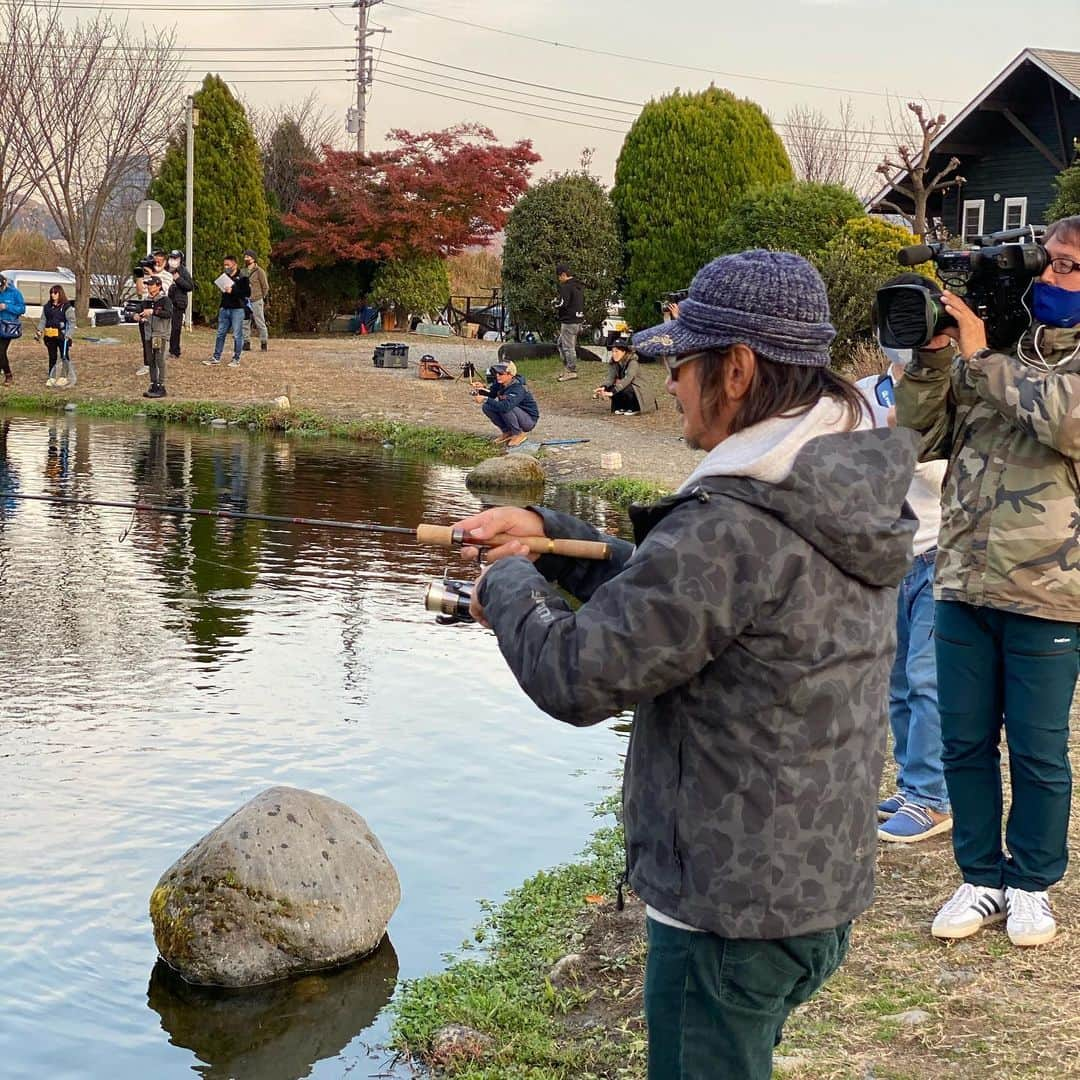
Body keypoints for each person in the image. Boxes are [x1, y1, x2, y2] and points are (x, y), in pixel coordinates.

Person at [453, 250, 917, 1079]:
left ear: (735, 370)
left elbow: (579, 672)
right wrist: (549, 534)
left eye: (681, 362)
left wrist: (508, 583)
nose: (667, 380)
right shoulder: (832, 483)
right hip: (810, 889)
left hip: (728, 917)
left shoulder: (735, 522)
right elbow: (696, 601)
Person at [896, 215, 1080, 948]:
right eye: (1048, 263)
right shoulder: (993, 354)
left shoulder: (1006, 362)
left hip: (1048, 591)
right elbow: (916, 436)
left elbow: (1067, 422)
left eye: (1069, 266)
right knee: (964, 743)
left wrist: (977, 358)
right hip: (962, 582)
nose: (1050, 276)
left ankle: (1033, 883)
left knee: (1038, 749)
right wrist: (934, 358)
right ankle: (981, 877)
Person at [857, 349, 950, 843]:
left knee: (927, 680)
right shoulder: (863, 395)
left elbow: (950, 478)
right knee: (895, 681)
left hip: (940, 556)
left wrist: (903, 440)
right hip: (889, 561)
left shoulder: (952, 392)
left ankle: (931, 797)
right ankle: (912, 784)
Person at [470, 360, 539, 447]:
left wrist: (485, 399)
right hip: (513, 410)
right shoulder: (500, 383)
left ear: (510, 374)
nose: (497, 376)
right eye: (496, 373)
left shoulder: (518, 388)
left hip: (528, 421)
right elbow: (491, 394)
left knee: (505, 407)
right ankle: (507, 432)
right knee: (487, 407)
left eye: (500, 373)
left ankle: (518, 434)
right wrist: (481, 389)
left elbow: (505, 406)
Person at [204, 255, 250, 368]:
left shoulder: (243, 277)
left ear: (234, 264)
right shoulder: (225, 276)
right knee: (220, 333)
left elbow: (247, 293)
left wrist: (233, 290)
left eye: (228, 265)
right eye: (224, 265)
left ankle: (236, 358)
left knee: (237, 335)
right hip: (225, 308)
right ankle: (216, 357)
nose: (226, 267)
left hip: (237, 309)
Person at [593, 336, 657, 415]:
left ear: (624, 352)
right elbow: (610, 378)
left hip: (640, 390)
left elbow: (628, 379)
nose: (614, 354)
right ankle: (623, 407)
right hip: (624, 386)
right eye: (612, 352)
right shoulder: (614, 363)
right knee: (614, 386)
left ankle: (635, 408)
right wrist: (603, 387)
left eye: (616, 351)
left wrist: (612, 392)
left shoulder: (633, 362)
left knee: (625, 387)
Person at [35, 285, 77, 388]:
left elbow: (72, 322)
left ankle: (64, 376)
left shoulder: (66, 307)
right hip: (50, 336)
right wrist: (40, 330)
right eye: (51, 293)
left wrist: (69, 335)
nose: (53, 295)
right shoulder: (47, 306)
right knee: (52, 356)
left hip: (62, 336)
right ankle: (52, 376)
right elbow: (43, 320)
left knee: (64, 356)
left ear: (60, 293)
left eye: (55, 293)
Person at [138, 276, 173, 398]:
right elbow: (138, 311)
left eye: (151, 284)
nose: (148, 287)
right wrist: (137, 316)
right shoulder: (145, 300)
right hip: (148, 335)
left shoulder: (165, 300)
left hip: (160, 335)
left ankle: (162, 386)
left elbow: (168, 314)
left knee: (160, 359)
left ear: (158, 286)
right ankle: (153, 384)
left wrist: (153, 312)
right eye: (147, 284)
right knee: (150, 360)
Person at [554, 262, 584, 382]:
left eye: (559, 276)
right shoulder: (578, 285)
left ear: (564, 275)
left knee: (568, 347)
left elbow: (563, 303)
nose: (559, 279)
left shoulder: (566, 286)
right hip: (578, 320)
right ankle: (568, 368)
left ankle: (571, 371)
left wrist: (555, 304)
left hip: (569, 321)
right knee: (561, 344)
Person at [166, 249, 194, 359]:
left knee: (176, 328)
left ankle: (174, 351)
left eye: (175, 258)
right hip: (166, 300)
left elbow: (190, 286)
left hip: (178, 303)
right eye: (172, 258)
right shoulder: (165, 269)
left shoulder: (183, 271)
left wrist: (178, 279)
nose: (173, 260)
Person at [0, 273, 27, 386]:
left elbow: (22, 309)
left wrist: (6, 307)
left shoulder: (15, 293)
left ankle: (8, 375)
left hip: (8, 326)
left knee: (1, 351)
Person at [242, 249, 269, 352]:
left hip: (256, 300)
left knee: (260, 322)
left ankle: (263, 343)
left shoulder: (259, 271)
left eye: (248, 257)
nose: (246, 259)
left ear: (253, 259)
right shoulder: (243, 271)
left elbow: (265, 287)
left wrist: (261, 297)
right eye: (245, 257)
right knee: (245, 322)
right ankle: (246, 343)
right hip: (245, 300)